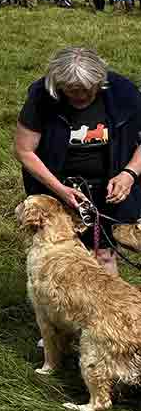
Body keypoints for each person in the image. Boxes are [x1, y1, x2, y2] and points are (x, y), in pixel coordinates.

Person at [14, 47, 141, 275]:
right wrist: (60, 190)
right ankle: (62, 304)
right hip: (58, 184)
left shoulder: (124, 93)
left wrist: (129, 174)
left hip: (109, 187)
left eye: (88, 91)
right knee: (61, 255)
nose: (81, 97)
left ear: (100, 82)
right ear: (57, 85)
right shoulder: (41, 97)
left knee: (103, 253)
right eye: (72, 92)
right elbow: (25, 151)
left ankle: (105, 307)